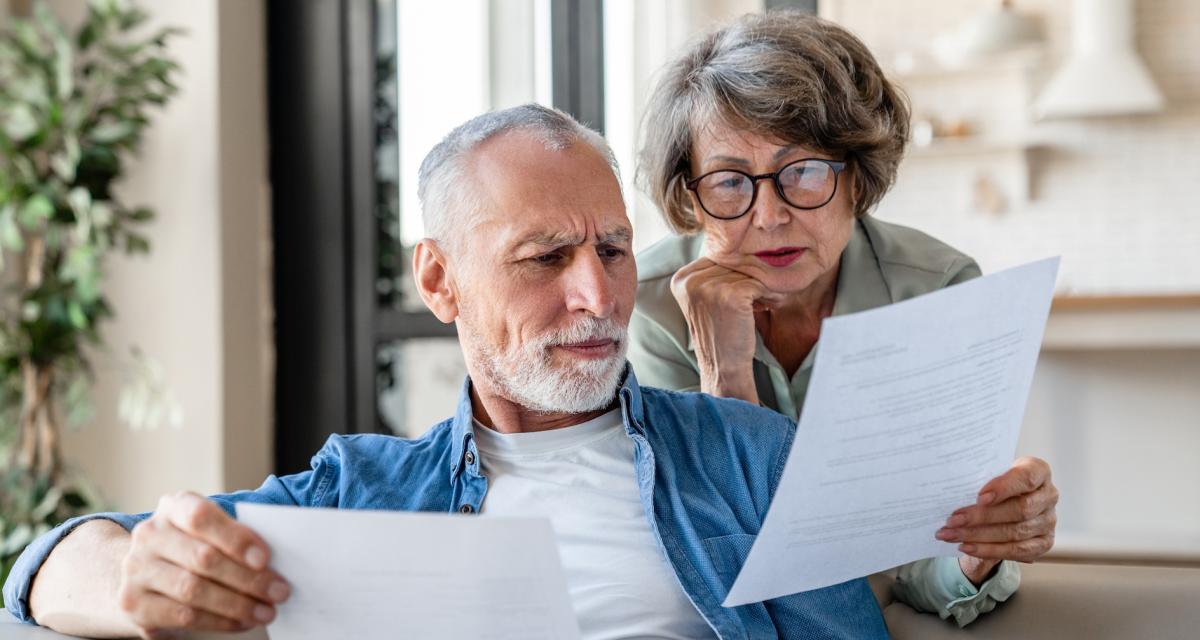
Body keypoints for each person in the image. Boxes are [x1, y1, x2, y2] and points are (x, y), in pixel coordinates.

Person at [4, 104, 889, 639]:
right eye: (544, 257)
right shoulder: (363, 490)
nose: (597, 295)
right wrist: (134, 580)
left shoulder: (750, 456)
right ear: (438, 280)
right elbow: (43, 568)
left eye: (614, 249)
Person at [628, 11, 1058, 627]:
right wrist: (725, 377)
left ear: (856, 176)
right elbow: (707, 560)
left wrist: (979, 551)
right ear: (690, 198)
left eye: (801, 171)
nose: (769, 215)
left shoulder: (936, 292)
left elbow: (921, 557)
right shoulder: (650, 307)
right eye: (728, 181)